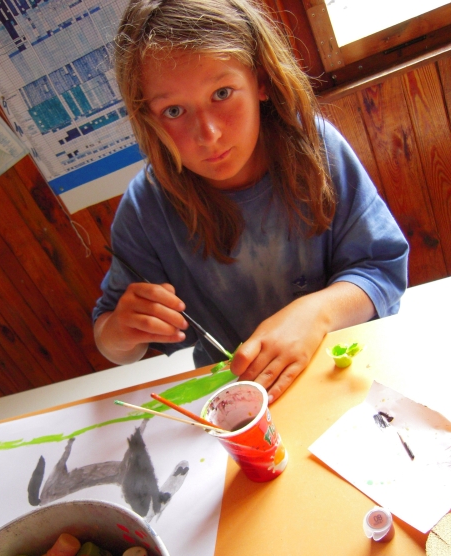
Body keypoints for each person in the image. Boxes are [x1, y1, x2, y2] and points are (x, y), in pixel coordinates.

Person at [93, 0, 408, 403]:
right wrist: (122, 331)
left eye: (222, 93)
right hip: (244, 400)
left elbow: (383, 270)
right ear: (148, 117)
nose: (208, 134)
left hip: (347, 372)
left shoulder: (315, 149)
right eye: (173, 110)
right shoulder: (145, 209)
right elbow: (112, 342)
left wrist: (316, 314)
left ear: (260, 79)